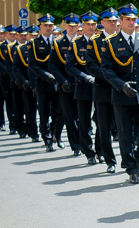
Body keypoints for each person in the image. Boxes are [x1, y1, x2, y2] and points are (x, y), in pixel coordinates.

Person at [100, 3, 139, 184]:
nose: (132, 22)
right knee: (125, 134)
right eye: (128, 19)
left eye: (134, 19)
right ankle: (131, 168)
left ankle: (138, 158)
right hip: (122, 95)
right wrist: (121, 85)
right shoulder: (110, 43)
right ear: (120, 21)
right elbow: (106, 69)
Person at [86, 9, 119, 172]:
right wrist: (110, 77)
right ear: (103, 23)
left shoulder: (122, 39)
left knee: (120, 125)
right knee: (104, 126)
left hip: (121, 89)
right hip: (104, 89)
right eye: (109, 20)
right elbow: (90, 65)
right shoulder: (94, 41)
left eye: (114, 20)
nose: (112, 23)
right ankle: (109, 159)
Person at [65, 10, 100, 165]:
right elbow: (70, 66)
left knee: (101, 121)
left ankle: (100, 150)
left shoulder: (102, 41)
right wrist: (84, 76)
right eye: (88, 24)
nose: (91, 27)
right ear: (82, 25)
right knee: (84, 121)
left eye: (93, 24)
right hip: (83, 86)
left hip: (100, 86)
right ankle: (89, 152)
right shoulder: (76, 43)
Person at [28, 15, 66, 151]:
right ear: (40, 27)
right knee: (44, 113)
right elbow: (32, 64)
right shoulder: (34, 43)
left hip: (57, 84)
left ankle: (56, 134)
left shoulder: (58, 42)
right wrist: (46, 75)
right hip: (43, 83)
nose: (49, 28)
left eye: (50, 25)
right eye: (46, 25)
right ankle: (47, 139)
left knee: (61, 111)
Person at [52, 13, 84, 157]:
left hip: (81, 84)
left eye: (75, 26)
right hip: (66, 85)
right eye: (70, 26)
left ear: (79, 27)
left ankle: (84, 142)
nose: (72, 29)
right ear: (66, 27)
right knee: (69, 116)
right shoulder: (58, 43)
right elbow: (52, 65)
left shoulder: (83, 42)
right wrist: (61, 81)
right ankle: (76, 145)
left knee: (82, 117)